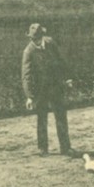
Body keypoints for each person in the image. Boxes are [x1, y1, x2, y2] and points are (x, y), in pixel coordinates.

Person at [21, 23, 74, 156]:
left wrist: (67, 78)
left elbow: (61, 61)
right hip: (40, 90)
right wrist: (29, 96)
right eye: (33, 39)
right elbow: (26, 75)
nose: (36, 41)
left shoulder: (51, 43)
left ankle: (65, 147)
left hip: (56, 86)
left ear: (42, 36)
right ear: (30, 38)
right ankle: (42, 148)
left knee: (61, 116)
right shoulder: (28, 52)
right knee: (42, 118)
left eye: (38, 38)